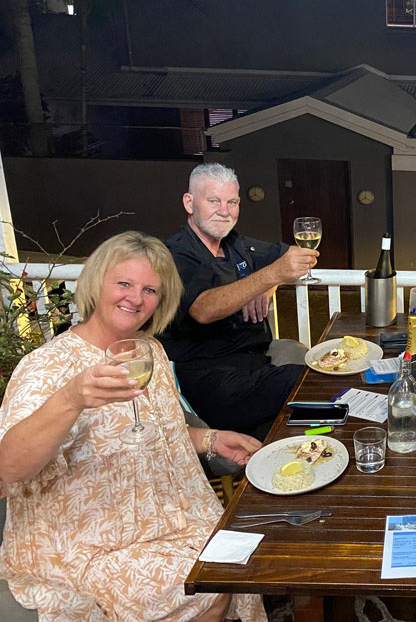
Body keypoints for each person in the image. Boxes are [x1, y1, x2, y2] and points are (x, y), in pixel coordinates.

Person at [0, 231, 266, 621]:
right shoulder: (48, 366)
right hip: (88, 540)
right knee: (200, 589)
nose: (136, 298)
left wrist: (210, 439)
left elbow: (155, 430)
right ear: (97, 284)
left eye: (150, 290)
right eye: (124, 283)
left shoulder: (149, 351)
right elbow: (8, 468)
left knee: (237, 560)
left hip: (172, 515)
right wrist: (70, 399)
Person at [158, 163, 319, 440]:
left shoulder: (235, 244)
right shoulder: (175, 254)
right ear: (189, 202)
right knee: (310, 380)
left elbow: (294, 255)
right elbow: (204, 308)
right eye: (214, 201)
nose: (224, 211)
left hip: (254, 366)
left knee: (300, 426)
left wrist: (266, 287)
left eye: (231, 202)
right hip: (210, 380)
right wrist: (271, 274)